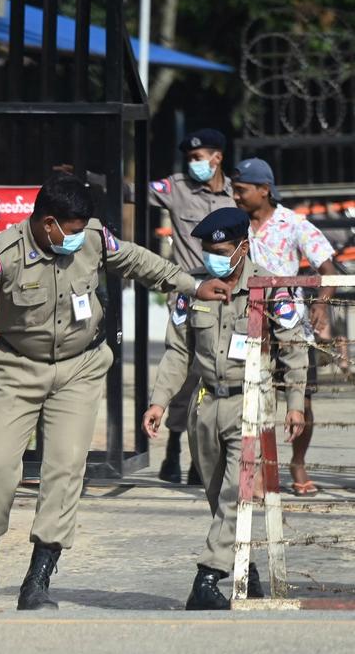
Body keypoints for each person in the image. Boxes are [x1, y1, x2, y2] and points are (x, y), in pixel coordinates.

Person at [0, 173, 231, 611]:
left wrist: (193, 285)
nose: (79, 238)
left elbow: (141, 262)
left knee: (64, 470)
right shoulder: (3, 254)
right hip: (16, 367)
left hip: (79, 369)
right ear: (48, 224)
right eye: (73, 229)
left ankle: (37, 580)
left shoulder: (95, 239)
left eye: (83, 227)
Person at [143, 207, 307, 610]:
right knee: (219, 496)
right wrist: (159, 401)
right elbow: (178, 351)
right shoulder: (193, 290)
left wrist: (295, 404)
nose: (213, 257)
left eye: (221, 249)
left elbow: (293, 348)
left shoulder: (268, 287)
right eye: (208, 250)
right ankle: (245, 570)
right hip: (206, 404)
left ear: (243, 248)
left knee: (238, 493)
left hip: (251, 402)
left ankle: (206, 578)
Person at [231, 158, 337, 496]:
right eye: (233, 190)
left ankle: (298, 461)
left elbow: (329, 269)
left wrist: (320, 303)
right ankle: (262, 468)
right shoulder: (234, 225)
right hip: (248, 326)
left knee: (301, 400)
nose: (235, 196)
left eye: (241, 190)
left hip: (292, 327)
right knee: (256, 400)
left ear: (264, 190)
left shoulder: (294, 224)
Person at [147, 128, 235, 485]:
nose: (194, 163)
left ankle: (203, 460)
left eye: (200, 157)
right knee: (185, 373)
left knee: (216, 373)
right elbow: (135, 192)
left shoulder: (236, 192)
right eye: (191, 158)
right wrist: (91, 180)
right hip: (190, 293)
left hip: (228, 296)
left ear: (218, 158)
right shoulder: (177, 188)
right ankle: (172, 449)